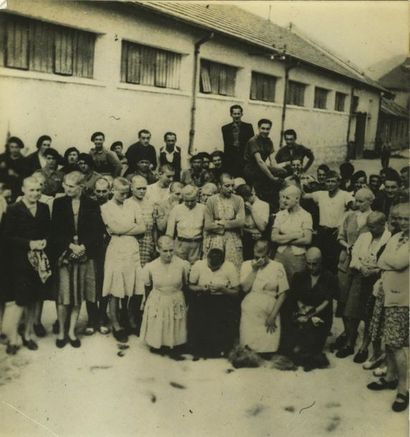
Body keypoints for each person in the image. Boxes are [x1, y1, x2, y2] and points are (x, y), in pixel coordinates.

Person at [50, 171, 105, 347]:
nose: (66, 188)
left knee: (77, 295)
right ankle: (61, 333)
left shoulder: (92, 204)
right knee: (63, 295)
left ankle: (72, 332)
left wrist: (83, 247)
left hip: (84, 255)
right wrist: (70, 246)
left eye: (71, 186)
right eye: (65, 185)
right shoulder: (58, 203)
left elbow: (97, 231)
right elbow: (55, 231)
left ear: (81, 187)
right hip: (65, 256)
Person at [2, 176, 52, 354]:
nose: (35, 193)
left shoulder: (44, 208)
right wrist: (29, 244)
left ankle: (28, 335)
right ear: (23, 190)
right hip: (18, 262)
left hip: (38, 262)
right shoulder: (13, 209)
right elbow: (6, 238)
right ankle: (13, 338)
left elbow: (47, 230)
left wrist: (44, 241)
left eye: (38, 190)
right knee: (19, 301)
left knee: (34, 299)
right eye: (31, 190)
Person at [367, 203, 409, 413]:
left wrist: (386, 262)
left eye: (407, 219)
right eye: (399, 219)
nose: (402, 223)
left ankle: (403, 390)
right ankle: (391, 377)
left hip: (402, 299)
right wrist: (387, 262)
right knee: (389, 342)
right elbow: (382, 258)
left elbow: (400, 263)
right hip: (387, 294)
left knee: (396, 343)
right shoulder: (395, 237)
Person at [337, 212, 391, 360]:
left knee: (369, 315)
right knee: (351, 312)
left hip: (377, 280)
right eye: (369, 226)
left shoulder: (389, 238)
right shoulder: (364, 237)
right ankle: (349, 343)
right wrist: (361, 268)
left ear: (383, 224)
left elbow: (388, 263)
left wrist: (374, 271)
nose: (370, 230)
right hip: (359, 276)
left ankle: (363, 348)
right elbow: (354, 257)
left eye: (373, 227)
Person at [101, 177, 146, 343]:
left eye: (127, 193)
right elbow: (113, 229)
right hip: (116, 249)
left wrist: (123, 230)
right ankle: (116, 324)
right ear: (113, 190)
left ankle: (130, 320)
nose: (124, 196)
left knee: (132, 285)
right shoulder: (105, 207)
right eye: (121, 193)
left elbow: (143, 227)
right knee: (115, 287)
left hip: (132, 249)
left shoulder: (133, 204)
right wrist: (131, 228)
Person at [335, 188, 374, 350]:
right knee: (343, 300)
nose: (357, 204)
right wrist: (347, 246)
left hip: (362, 266)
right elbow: (340, 237)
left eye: (361, 201)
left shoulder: (375, 218)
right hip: (345, 263)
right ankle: (348, 333)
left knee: (355, 303)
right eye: (356, 200)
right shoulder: (350, 216)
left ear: (370, 201)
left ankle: (351, 341)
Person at [140, 236, 190, 359]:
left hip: (176, 297)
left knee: (176, 318)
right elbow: (147, 286)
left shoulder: (182, 264)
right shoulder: (151, 267)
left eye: (171, 250)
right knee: (159, 319)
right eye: (165, 251)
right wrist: (147, 302)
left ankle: (175, 344)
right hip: (158, 298)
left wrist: (186, 303)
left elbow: (186, 284)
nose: (169, 254)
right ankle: (159, 344)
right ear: (158, 249)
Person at [239, 240, 289, 357]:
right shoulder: (246, 265)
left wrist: (273, 315)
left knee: (268, 351)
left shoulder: (277, 266)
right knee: (249, 350)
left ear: (269, 252)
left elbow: (283, 293)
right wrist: (255, 269)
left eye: (263, 254)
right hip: (251, 305)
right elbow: (245, 288)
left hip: (270, 305)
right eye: (257, 255)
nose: (260, 258)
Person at [188, 248, 240, 358]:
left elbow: (237, 292)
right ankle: (200, 350)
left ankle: (219, 350)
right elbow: (190, 286)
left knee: (221, 323)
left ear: (222, 263)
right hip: (203, 298)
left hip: (222, 300)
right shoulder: (199, 265)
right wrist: (202, 288)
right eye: (210, 266)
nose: (212, 269)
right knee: (200, 319)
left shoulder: (229, 267)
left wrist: (223, 289)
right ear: (207, 258)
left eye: (216, 268)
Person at [291, 248, 337, 371]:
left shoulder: (329, 277)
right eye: (308, 263)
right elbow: (296, 298)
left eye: (314, 264)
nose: (311, 267)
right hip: (302, 312)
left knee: (311, 346)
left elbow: (326, 302)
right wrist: (302, 311)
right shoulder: (299, 276)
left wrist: (309, 315)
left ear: (321, 262)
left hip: (320, 315)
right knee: (292, 348)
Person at [304, 170, 354, 273]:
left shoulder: (345, 195)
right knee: (320, 261)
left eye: (333, 181)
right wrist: (301, 181)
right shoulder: (321, 194)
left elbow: (354, 207)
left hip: (336, 234)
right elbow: (304, 195)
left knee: (334, 264)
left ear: (338, 182)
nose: (330, 184)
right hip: (322, 233)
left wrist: (343, 225)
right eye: (328, 181)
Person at [271, 185, 313, 281]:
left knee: (296, 283)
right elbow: (273, 237)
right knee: (278, 281)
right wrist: (295, 235)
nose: (284, 201)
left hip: (298, 257)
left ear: (297, 199)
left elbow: (307, 240)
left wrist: (282, 239)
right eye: (283, 197)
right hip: (280, 255)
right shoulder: (280, 215)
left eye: (287, 198)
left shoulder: (306, 215)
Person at [204, 173, 245, 270]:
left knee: (233, 268)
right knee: (215, 268)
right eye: (227, 186)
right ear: (219, 186)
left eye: (232, 185)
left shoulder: (238, 200)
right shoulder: (211, 200)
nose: (230, 189)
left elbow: (241, 222)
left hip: (233, 239)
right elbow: (208, 225)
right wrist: (231, 223)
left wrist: (221, 223)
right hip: (215, 239)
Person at [243, 119, 284, 210]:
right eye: (263, 128)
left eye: (267, 129)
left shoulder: (269, 141)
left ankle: (277, 203)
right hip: (251, 169)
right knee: (267, 181)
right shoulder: (253, 141)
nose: (265, 131)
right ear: (258, 128)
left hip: (261, 168)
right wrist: (272, 177)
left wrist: (278, 170)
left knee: (283, 172)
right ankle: (263, 205)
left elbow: (272, 160)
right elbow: (260, 161)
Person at [166, 185, 206, 264]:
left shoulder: (203, 208)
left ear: (197, 197)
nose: (190, 203)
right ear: (183, 198)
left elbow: (205, 231)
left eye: (192, 200)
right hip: (180, 245)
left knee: (195, 269)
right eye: (187, 201)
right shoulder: (176, 209)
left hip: (197, 245)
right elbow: (169, 232)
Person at [125, 176, 156, 267]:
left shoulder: (151, 204)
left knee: (144, 270)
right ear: (132, 188)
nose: (142, 191)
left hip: (147, 242)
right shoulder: (126, 204)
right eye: (139, 188)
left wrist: (153, 243)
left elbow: (154, 228)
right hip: (131, 242)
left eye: (144, 188)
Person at [236, 184, 269, 260]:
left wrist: (252, 210)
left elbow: (262, 227)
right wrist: (251, 230)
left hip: (256, 242)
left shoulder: (263, 205)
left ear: (253, 193)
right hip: (243, 240)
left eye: (248, 198)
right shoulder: (240, 205)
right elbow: (239, 225)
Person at [221, 105, 254, 177]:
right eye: (234, 114)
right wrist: (226, 161)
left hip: (244, 159)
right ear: (231, 115)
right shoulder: (225, 128)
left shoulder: (248, 127)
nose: (237, 116)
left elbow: (251, 144)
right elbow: (226, 145)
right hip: (231, 159)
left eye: (238, 113)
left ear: (242, 114)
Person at [0, 136, 26, 200]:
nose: (14, 150)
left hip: (17, 192)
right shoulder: (2, 158)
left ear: (20, 148)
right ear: (9, 147)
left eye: (16, 147)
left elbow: (25, 180)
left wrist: (15, 174)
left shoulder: (24, 161)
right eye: (12, 147)